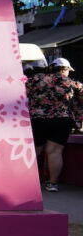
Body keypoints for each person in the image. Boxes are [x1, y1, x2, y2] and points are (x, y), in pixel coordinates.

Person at [26, 57, 83, 192]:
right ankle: (52, 183)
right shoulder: (73, 83)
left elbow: (22, 95)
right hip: (61, 120)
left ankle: (27, 181)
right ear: (65, 70)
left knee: (35, 150)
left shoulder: (35, 80)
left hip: (37, 118)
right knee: (54, 151)